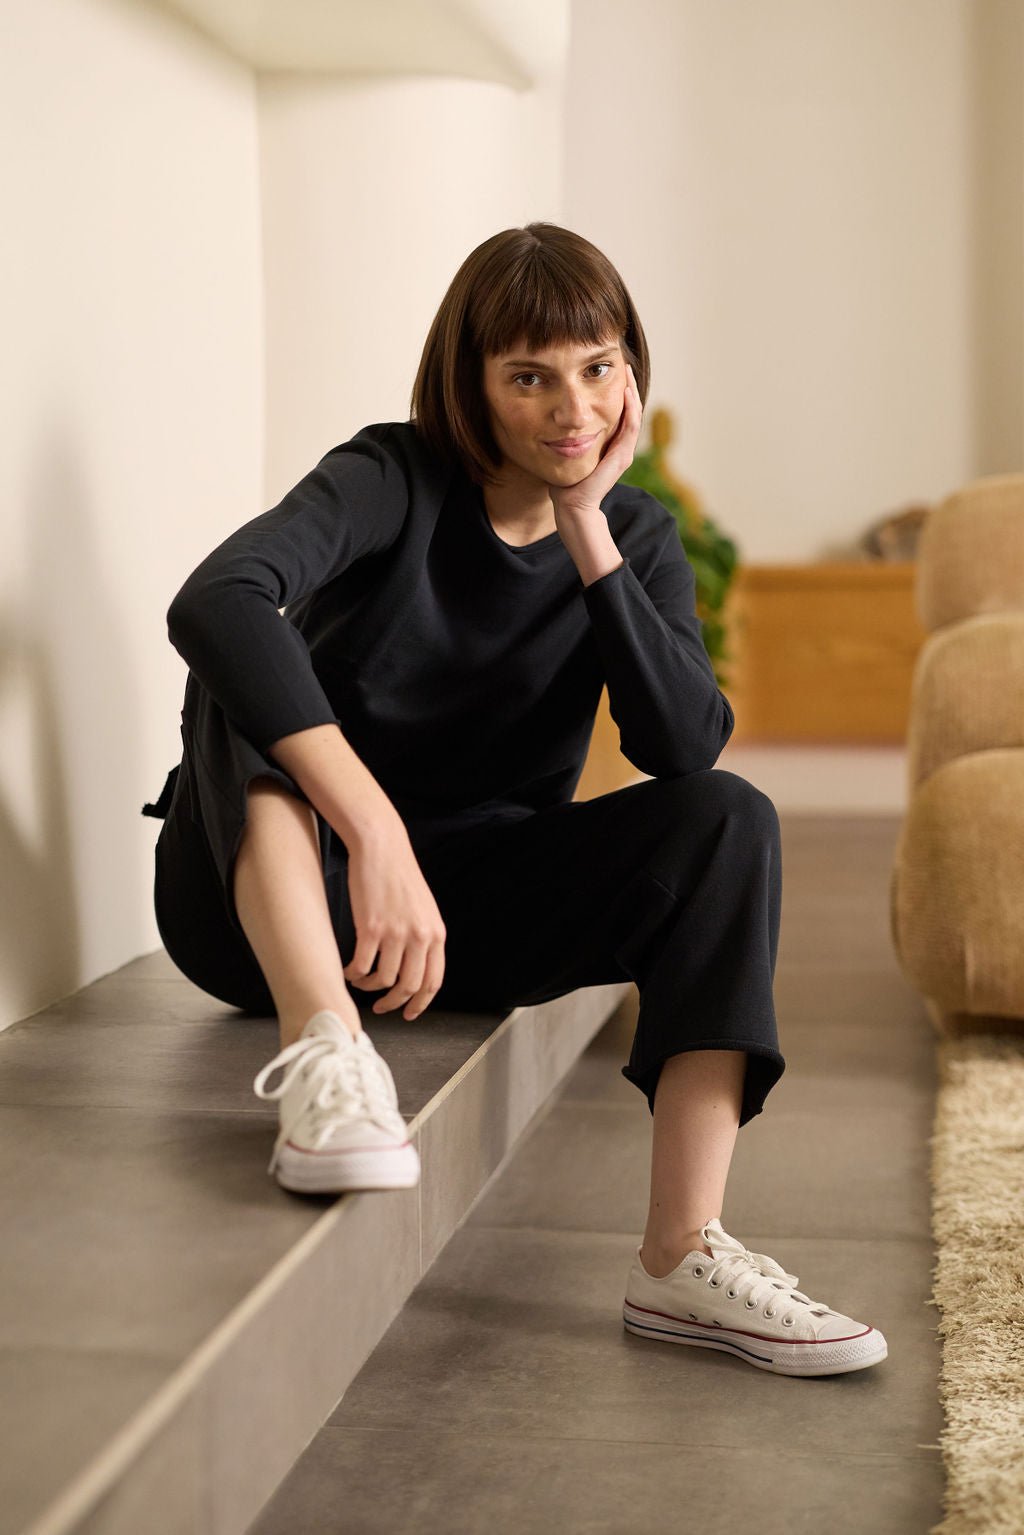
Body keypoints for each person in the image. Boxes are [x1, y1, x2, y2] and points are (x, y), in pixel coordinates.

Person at [143, 222, 887, 1378]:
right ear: (473, 385)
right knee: (238, 656)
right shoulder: (392, 478)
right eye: (529, 376)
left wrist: (591, 529)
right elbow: (215, 596)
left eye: (597, 369)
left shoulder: (631, 531)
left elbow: (682, 744)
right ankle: (326, 1061)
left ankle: (682, 1254)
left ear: (631, 370)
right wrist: (372, 825)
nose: (569, 407)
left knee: (730, 815)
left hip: (462, 914)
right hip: (279, 901)